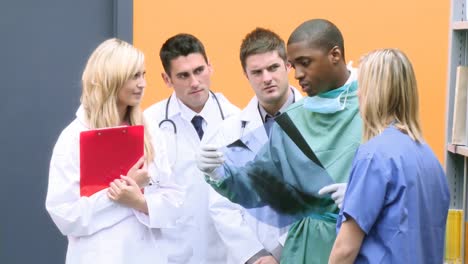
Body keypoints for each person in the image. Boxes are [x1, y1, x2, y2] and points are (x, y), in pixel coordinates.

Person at [198, 19, 362, 263]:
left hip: (348, 241)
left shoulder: (369, 102)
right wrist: (219, 173)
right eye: (257, 72)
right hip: (301, 247)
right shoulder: (292, 121)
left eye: (274, 68)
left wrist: (362, 194)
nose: (298, 75)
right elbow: (252, 183)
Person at [45, 38, 185, 264]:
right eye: (134, 76)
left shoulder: (149, 132)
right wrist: (118, 195)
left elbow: (176, 203)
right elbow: (65, 215)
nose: (143, 84)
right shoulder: (73, 138)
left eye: (143, 74)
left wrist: (138, 202)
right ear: (111, 79)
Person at [328, 49, 450, 263]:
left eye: (362, 87)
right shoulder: (430, 158)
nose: (357, 94)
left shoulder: (374, 156)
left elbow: (345, 250)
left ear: (375, 92)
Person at [201, 28, 303, 264]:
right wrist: (256, 256)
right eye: (256, 72)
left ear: (288, 65)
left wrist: (278, 252)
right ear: (246, 75)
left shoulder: (317, 123)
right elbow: (221, 204)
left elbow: (318, 197)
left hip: (302, 251)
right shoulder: (229, 132)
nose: (266, 78)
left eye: (273, 68)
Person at [144, 33, 239, 264]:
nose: (195, 82)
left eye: (199, 71)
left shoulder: (236, 119)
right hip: (172, 252)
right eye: (183, 75)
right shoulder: (150, 123)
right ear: (167, 79)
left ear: (210, 67)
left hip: (227, 251)